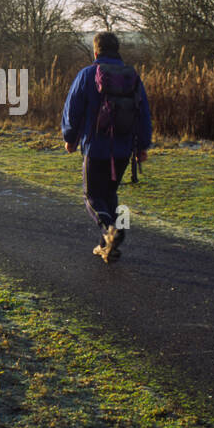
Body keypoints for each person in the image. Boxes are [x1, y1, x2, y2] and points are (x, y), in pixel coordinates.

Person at [61, 31, 152, 263]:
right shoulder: (132, 77)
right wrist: (142, 146)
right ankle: (106, 245)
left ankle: (111, 229)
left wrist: (69, 138)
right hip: (123, 149)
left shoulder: (87, 74)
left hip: (96, 147)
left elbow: (72, 110)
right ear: (117, 49)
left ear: (96, 51)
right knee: (110, 193)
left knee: (91, 195)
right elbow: (143, 113)